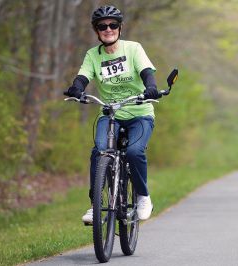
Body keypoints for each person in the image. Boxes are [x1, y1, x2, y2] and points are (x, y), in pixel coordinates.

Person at [66, 5, 159, 224]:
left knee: (135, 151)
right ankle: (95, 205)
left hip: (139, 113)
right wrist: (76, 88)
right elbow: (83, 76)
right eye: (102, 26)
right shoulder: (92, 55)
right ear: (96, 30)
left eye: (113, 25)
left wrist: (151, 87)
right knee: (99, 152)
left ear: (119, 27)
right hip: (110, 114)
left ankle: (143, 196)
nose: (108, 29)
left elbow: (147, 72)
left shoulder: (133, 48)